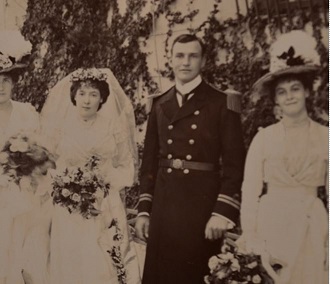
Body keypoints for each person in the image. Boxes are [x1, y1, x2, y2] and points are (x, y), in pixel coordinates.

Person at [135, 34, 246, 283]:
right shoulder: (159, 104)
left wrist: (222, 212)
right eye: (180, 56)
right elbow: (149, 165)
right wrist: (144, 210)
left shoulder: (221, 102)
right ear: (171, 60)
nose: (185, 62)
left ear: (203, 61)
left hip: (202, 210)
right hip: (164, 209)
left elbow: (234, 164)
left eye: (193, 56)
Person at [239, 30, 328, 284]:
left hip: (313, 226)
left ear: (307, 93)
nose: (289, 96)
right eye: (282, 92)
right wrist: (253, 238)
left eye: (295, 89)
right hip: (273, 226)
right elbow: (250, 192)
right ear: (275, 99)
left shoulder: (325, 137)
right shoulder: (264, 138)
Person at [40, 68, 141, 284]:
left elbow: (125, 165)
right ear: (74, 96)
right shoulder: (59, 128)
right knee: (71, 258)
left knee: (103, 260)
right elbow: (46, 164)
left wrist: (103, 182)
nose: (87, 100)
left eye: (94, 94)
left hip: (103, 203)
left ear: (102, 98)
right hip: (68, 206)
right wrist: (64, 184)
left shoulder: (113, 127)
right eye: (82, 93)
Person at [0, 43, 43, 284]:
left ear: (15, 81)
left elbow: (39, 154)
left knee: (22, 253)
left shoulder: (26, 112)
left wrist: (26, 175)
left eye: (6, 79)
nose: (0, 86)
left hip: (23, 196)